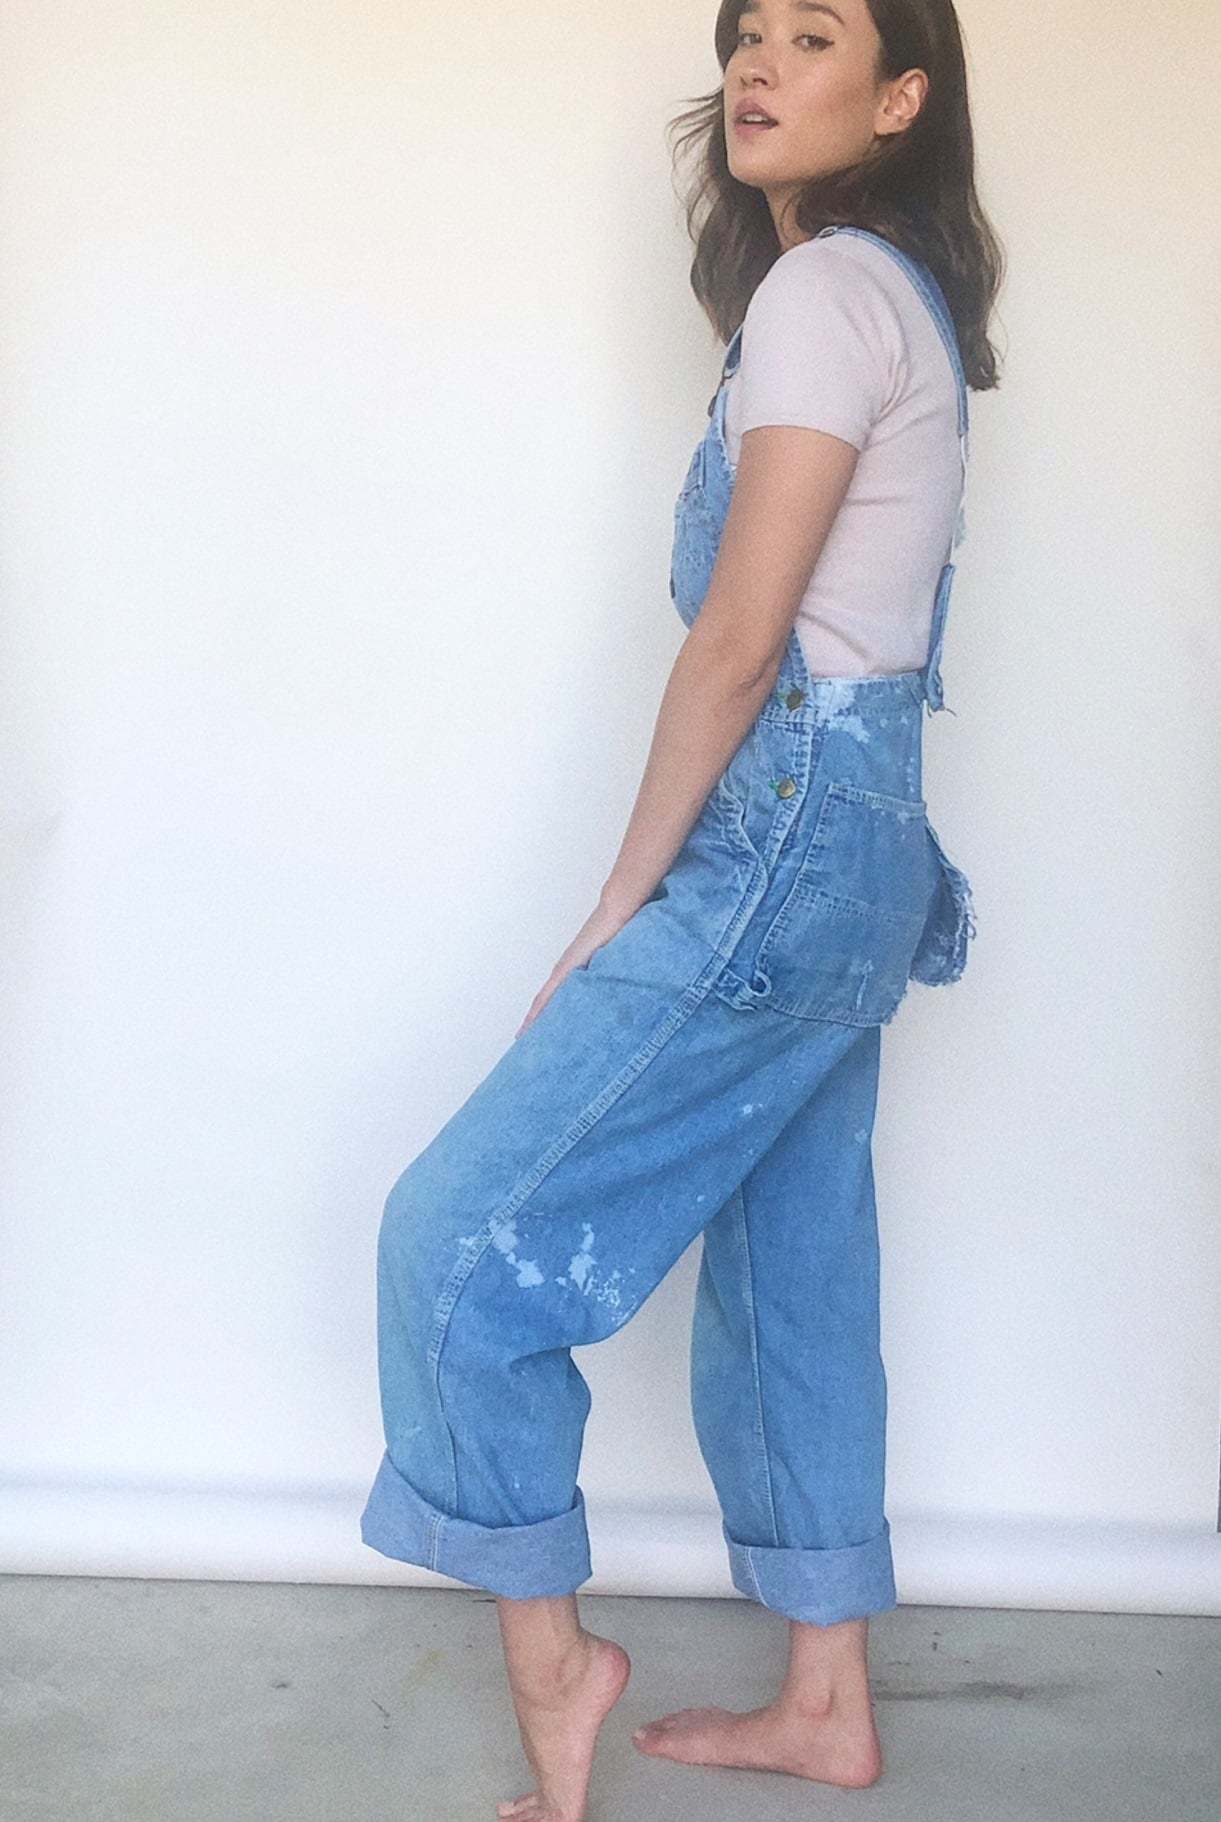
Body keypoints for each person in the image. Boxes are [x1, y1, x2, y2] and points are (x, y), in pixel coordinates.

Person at [361, 1, 1004, 1815]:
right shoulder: (895, 302)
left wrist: (615, 903)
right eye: (743, 33)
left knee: (450, 1239)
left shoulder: (821, 295)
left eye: (811, 35)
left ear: (898, 97)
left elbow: (738, 642)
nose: (755, 65)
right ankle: (826, 1703)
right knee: (796, 1269)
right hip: (867, 852)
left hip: (781, 842)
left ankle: (555, 1666)